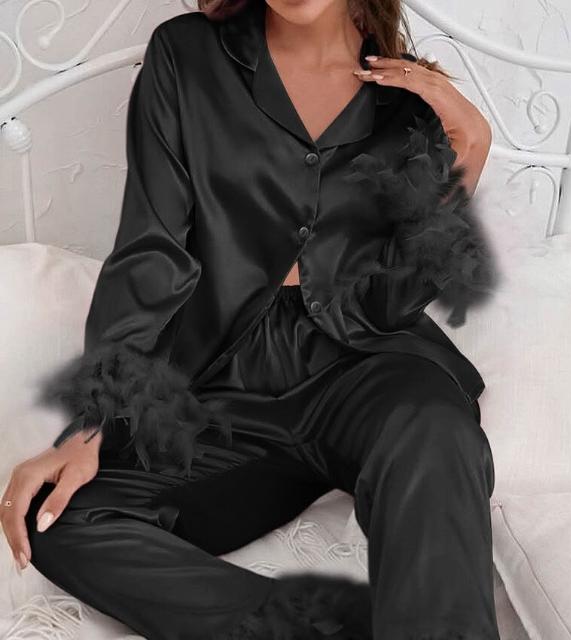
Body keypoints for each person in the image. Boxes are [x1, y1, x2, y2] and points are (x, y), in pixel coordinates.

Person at [0, 0, 499, 638]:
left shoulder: (410, 101)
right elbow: (151, 251)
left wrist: (468, 150)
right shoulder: (187, 56)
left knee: (434, 427)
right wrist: (92, 422)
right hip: (221, 390)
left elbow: (390, 304)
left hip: (362, 375)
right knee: (58, 515)